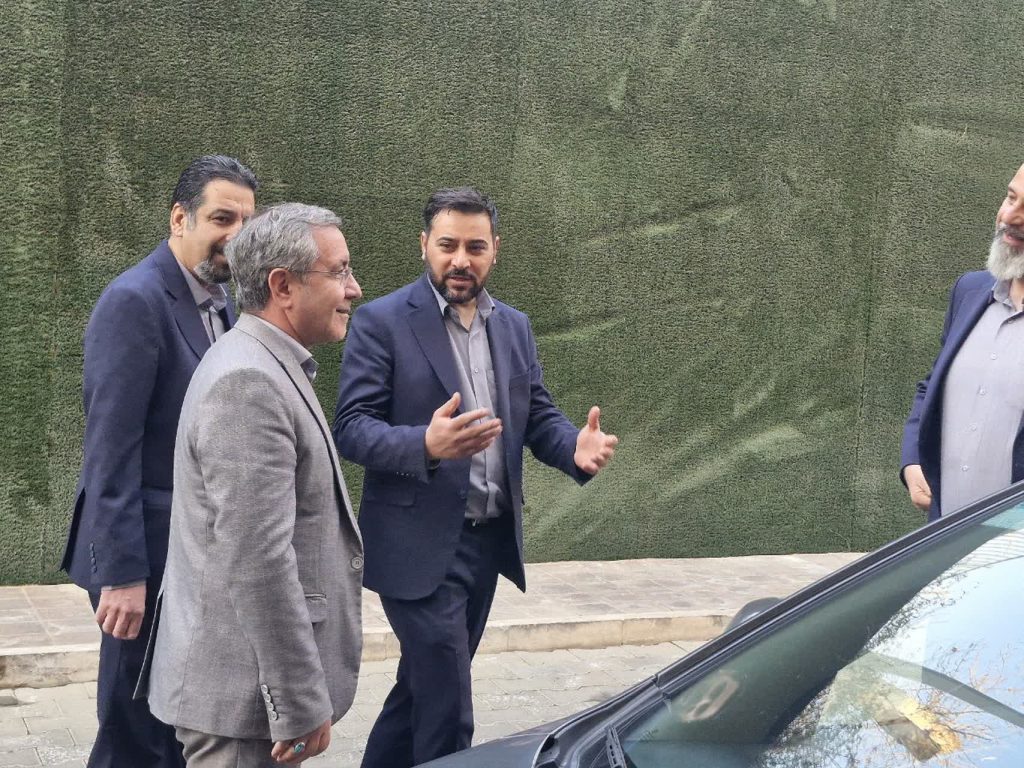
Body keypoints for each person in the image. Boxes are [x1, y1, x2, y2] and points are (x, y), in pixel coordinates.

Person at [333, 186, 619, 767]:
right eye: (447, 245)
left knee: (421, 691)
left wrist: (574, 448)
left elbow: (536, 416)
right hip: (415, 546)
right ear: (424, 245)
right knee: (448, 707)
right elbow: (352, 428)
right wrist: (424, 443)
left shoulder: (513, 326)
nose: (460, 259)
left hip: (486, 546)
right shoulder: (382, 322)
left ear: (494, 250)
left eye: (475, 247)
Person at [143, 203, 365, 766]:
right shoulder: (248, 381)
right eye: (339, 271)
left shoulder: (265, 361)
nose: (354, 288)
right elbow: (257, 558)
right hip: (242, 705)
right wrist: (297, 700)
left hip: (245, 696)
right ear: (282, 286)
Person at [60, 155, 257, 768]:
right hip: (143, 560)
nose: (235, 235)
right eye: (221, 218)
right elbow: (110, 451)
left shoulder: (221, 303)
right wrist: (122, 576)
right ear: (179, 218)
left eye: (246, 223)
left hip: (194, 558)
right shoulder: (135, 300)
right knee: (132, 734)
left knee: (172, 726)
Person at [902, 162, 1024, 520]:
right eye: (1011, 198)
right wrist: (913, 457)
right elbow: (933, 386)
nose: (1009, 217)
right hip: (944, 537)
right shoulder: (970, 290)